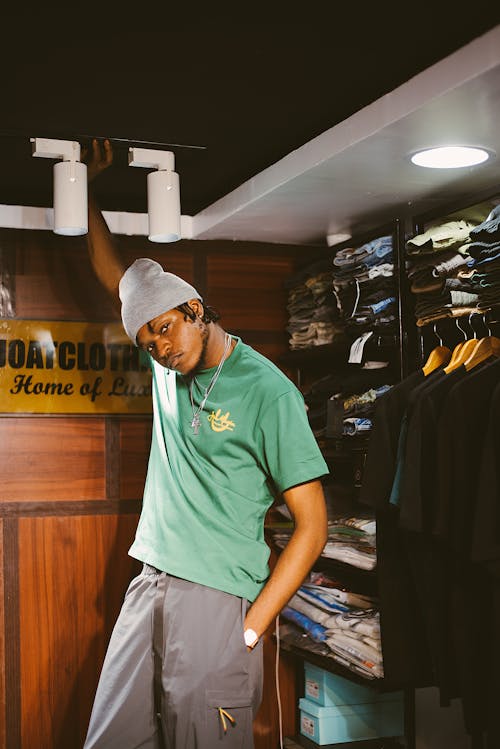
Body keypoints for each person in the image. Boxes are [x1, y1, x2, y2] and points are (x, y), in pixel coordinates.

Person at [82, 139, 329, 749]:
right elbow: (116, 273)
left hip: (219, 600)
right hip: (150, 582)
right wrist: (84, 187)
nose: (161, 348)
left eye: (165, 329)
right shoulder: (167, 367)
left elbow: (313, 525)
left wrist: (250, 628)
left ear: (194, 309)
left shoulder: (267, 392)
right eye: (148, 343)